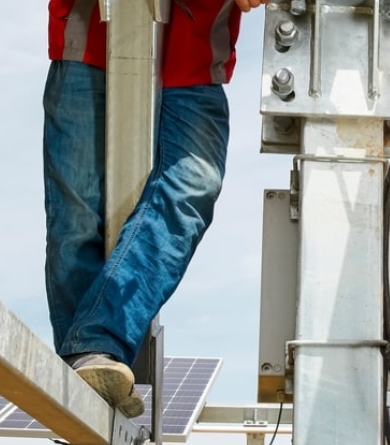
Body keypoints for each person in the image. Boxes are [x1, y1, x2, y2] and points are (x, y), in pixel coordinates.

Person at [43, 0, 264, 417]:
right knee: (78, 217)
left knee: (191, 188)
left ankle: (95, 344)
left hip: (194, 60)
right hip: (91, 36)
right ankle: (88, 372)